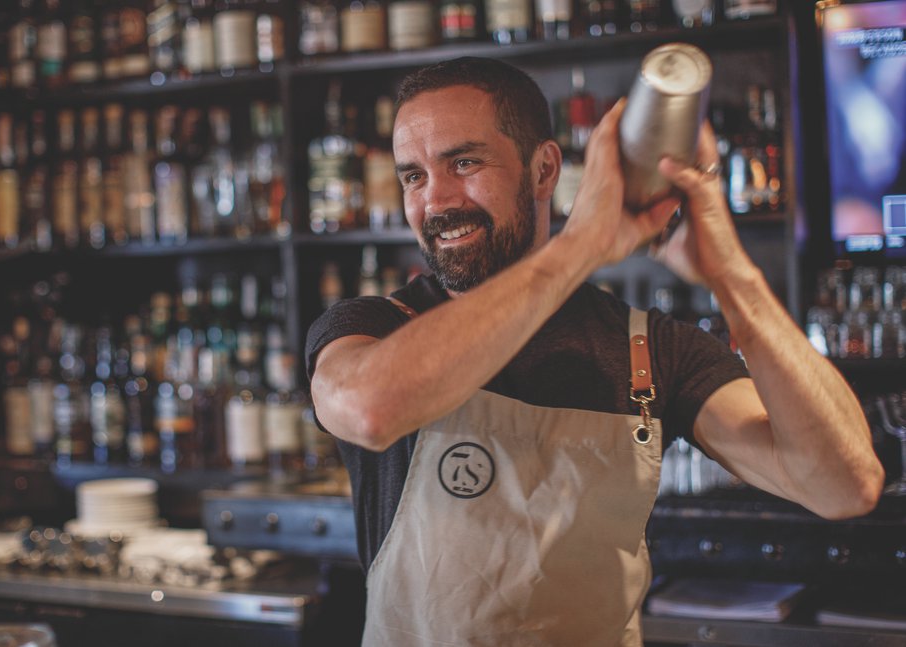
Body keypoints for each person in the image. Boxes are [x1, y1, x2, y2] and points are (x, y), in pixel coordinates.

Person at [305, 57, 884, 646]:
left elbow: (842, 484)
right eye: (414, 177)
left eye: (464, 162)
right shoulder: (373, 327)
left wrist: (732, 275)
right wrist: (580, 245)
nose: (436, 201)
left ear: (544, 170)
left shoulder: (647, 348)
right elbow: (369, 409)